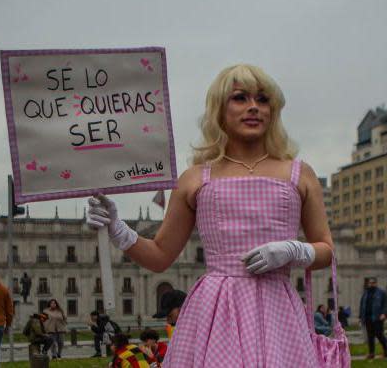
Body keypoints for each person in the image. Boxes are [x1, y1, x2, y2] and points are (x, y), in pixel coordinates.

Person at [87, 64, 335, 367]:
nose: (253, 107)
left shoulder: (300, 174)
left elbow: (326, 250)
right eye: (240, 98)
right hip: (216, 313)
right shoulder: (195, 178)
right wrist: (118, 229)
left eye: (263, 99)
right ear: (219, 109)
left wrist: (294, 250)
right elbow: (160, 256)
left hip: (277, 311)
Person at [359, 277, 387, 359]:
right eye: (370, 283)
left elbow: (385, 304)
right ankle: (371, 353)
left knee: (379, 334)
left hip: (377, 317)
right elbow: (362, 305)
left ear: (376, 283)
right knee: (370, 336)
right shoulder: (365, 293)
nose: (371, 284)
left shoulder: (381, 292)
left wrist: (384, 313)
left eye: (373, 283)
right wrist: (360, 317)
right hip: (367, 318)